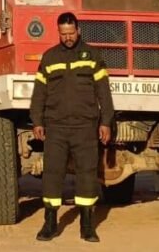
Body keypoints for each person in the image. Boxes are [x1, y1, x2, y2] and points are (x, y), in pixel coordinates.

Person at [29, 12, 114, 242]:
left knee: (87, 174)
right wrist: (37, 121)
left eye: (71, 33)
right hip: (55, 127)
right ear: (59, 32)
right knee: (52, 174)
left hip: (85, 126)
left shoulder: (92, 56)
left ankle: (87, 226)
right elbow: (39, 94)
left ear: (78, 30)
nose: (67, 37)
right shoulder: (49, 58)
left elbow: (104, 93)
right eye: (63, 34)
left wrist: (105, 122)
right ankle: (50, 223)